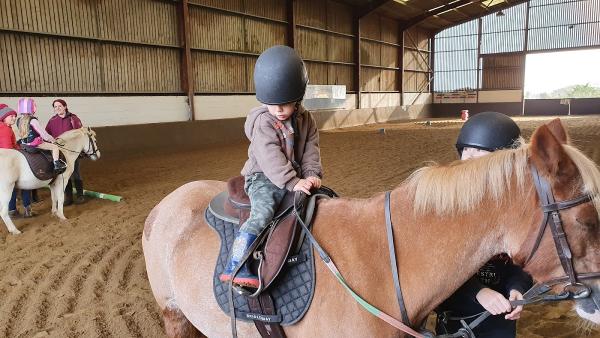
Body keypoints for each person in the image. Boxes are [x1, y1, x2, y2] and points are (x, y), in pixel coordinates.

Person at [219, 45, 323, 289]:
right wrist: (293, 182)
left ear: (298, 98)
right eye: (272, 104)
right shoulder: (264, 123)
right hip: (263, 177)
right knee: (264, 212)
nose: (278, 109)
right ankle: (236, 262)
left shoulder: (307, 121)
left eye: (285, 104)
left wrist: (311, 174)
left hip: (292, 175)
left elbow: (311, 149)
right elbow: (269, 157)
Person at [435, 112, 533, 338]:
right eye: (466, 150)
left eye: (479, 151)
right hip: (458, 320)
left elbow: (521, 264)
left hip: (500, 321)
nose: (469, 157)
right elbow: (438, 269)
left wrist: (517, 288)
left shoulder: (512, 210)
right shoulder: (448, 208)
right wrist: (478, 293)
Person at [46, 99, 84, 205]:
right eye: (55, 107)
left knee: (75, 173)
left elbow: (80, 134)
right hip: (59, 152)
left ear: (65, 106)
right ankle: (69, 197)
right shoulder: (52, 121)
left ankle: (80, 195)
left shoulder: (73, 119)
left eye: (59, 106)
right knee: (64, 174)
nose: (57, 108)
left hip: (72, 152)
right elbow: (47, 134)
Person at [16, 98, 67, 174]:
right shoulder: (33, 120)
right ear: (33, 108)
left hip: (24, 144)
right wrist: (52, 139)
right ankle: (57, 164)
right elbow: (43, 134)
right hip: (34, 144)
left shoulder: (19, 120)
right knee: (55, 147)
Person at [0, 104, 34, 217]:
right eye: (11, 116)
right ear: (4, 117)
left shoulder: (4, 127)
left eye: (15, 116)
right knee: (24, 184)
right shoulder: (5, 129)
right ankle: (25, 210)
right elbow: (8, 150)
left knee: (11, 187)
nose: (14, 118)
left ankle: (12, 210)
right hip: (9, 162)